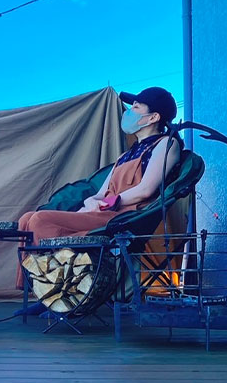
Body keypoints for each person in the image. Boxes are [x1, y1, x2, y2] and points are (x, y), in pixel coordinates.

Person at [16, 86, 181, 288]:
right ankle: (40, 286)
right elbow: (101, 193)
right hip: (102, 211)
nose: (129, 112)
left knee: (40, 220)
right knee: (26, 219)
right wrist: (92, 202)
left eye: (136, 107)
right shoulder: (125, 155)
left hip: (123, 217)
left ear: (153, 117)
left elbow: (146, 190)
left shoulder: (166, 145)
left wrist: (108, 203)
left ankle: (54, 286)